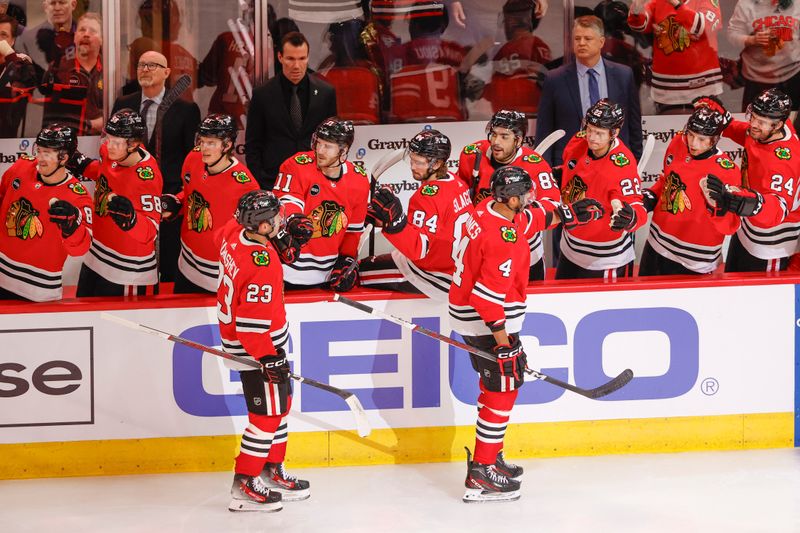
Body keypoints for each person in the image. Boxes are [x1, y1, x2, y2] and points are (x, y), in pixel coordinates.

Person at [449, 166, 600, 503]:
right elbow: (486, 299)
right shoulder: (500, 238)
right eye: (527, 196)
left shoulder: (489, 210)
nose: (532, 200)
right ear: (513, 198)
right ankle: (482, 473)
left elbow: (531, 219)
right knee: (503, 389)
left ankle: (491, 457)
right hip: (484, 321)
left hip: (472, 314)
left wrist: (566, 213)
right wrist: (503, 345)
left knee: (497, 387)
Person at [218, 190, 310, 513]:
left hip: (261, 342)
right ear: (261, 225)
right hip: (258, 348)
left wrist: (279, 239)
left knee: (280, 408)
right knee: (266, 418)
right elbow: (250, 326)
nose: (280, 220)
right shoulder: (263, 265)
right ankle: (245, 480)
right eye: (275, 219)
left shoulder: (234, 232)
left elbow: (226, 230)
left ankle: (272, 470)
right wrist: (268, 358)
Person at [112, 50, 201, 283]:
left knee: (169, 259)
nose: (145, 69)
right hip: (131, 193)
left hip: (168, 196)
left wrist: (179, 196)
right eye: (141, 65)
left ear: (167, 72)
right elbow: (112, 148)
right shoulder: (124, 103)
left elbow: (191, 158)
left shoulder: (186, 110)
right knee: (133, 257)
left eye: (152, 65)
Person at [359, 129, 474, 299]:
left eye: (419, 162)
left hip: (432, 277)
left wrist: (394, 224)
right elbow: (435, 226)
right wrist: (386, 221)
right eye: (411, 160)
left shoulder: (427, 196)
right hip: (459, 273)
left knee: (358, 272)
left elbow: (417, 250)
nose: (413, 167)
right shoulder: (456, 182)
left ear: (436, 164)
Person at [702, 89, 800, 272]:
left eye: (761, 122)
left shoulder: (783, 162)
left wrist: (753, 203)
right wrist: (727, 122)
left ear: (778, 125)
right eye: (753, 117)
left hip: (769, 243)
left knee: (758, 298)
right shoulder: (768, 129)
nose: (753, 124)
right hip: (747, 227)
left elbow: (779, 208)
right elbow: (747, 135)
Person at [160, 114, 259, 294]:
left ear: (227, 145)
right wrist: (177, 201)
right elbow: (189, 193)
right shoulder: (193, 158)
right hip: (186, 264)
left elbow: (252, 237)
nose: (203, 148)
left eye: (211, 143)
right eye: (202, 141)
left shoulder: (245, 186)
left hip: (218, 276)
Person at [457, 110, 561, 280]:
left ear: (518, 140)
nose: (496, 142)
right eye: (494, 134)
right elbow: (459, 196)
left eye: (504, 136)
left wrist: (523, 215)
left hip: (524, 253)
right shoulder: (472, 154)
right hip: (482, 249)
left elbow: (553, 206)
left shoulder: (536, 165)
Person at [638, 104, 742, 276]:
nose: (693, 143)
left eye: (701, 139)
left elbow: (730, 225)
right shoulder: (679, 142)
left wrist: (719, 207)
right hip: (656, 244)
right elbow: (666, 180)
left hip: (695, 260)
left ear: (715, 139)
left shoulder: (727, 171)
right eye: (691, 135)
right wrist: (649, 198)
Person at [70, 109, 164, 297]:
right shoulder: (109, 152)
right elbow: (103, 172)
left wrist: (132, 220)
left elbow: (151, 229)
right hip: (95, 256)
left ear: (134, 145)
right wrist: (81, 164)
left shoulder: (147, 178)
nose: (109, 145)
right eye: (108, 138)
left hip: (127, 271)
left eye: (116, 142)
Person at [271, 117, 368, 291]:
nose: (319, 150)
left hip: (326, 275)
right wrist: (294, 219)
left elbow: (353, 232)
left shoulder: (359, 179)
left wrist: (346, 260)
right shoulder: (296, 165)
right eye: (318, 143)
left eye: (328, 146)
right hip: (284, 269)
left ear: (343, 150)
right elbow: (287, 201)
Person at [535, 15, 642, 169]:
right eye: (577, 39)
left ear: (601, 42)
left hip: (615, 163)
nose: (582, 43)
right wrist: (546, 171)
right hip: (569, 165)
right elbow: (544, 130)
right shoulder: (555, 79)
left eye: (588, 38)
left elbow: (634, 126)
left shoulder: (623, 76)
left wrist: (635, 164)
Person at [556, 99, 646, 280]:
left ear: (615, 133)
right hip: (569, 249)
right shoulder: (578, 142)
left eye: (599, 133)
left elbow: (637, 206)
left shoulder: (622, 164)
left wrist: (630, 217)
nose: (591, 137)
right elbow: (569, 169)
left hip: (605, 260)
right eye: (589, 129)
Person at [0, 124, 91, 301]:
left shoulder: (77, 196)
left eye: (47, 153)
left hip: (39, 290)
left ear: (64, 157)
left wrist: (71, 226)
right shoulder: (21, 166)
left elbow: (81, 247)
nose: (40, 158)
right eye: (39, 150)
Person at [246, 32, 337, 189]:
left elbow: (332, 141)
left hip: (316, 180)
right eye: (290, 59)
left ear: (308, 58)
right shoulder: (262, 94)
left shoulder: (326, 92)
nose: (296, 66)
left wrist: (328, 178)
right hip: (273, 182)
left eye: (302, 59)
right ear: (280, 57)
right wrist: (261, 182)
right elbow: (253, 144)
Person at [627, 0, 723, 113]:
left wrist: (676, 4)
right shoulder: (657, 2)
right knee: (668, 128)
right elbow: (639, 25)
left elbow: (704, 27)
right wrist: (637, 7)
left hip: (703, 86)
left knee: (704, 128)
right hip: (666, 90)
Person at [728, 0, 800, 112]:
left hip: (793, 74)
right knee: (756, 120)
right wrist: (751, 40)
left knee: (793, 122)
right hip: (757, 77)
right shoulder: (746, 4)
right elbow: (733, 34)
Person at [39, 12, 103, 134]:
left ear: (102, 39)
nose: (86, 34)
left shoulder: (109, 69)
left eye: (93, 31)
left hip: (100, 141)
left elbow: (116, 109)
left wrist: (104, 122)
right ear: (75, 37)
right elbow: (51, 113)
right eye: (82, 30)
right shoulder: (58, 67)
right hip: (66, 141)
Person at [17, 0, 77, 82]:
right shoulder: (29, 39)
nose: (57, 8)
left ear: (73, 4)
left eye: (62, 2)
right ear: (45, 7)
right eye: (52, 3)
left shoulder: (86, 37)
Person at [0, 14, 37, 138]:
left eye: (3, 35)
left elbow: (28, 78)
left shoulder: (21, 60)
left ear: (13, 40)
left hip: (10, 143)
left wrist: (9, 54)